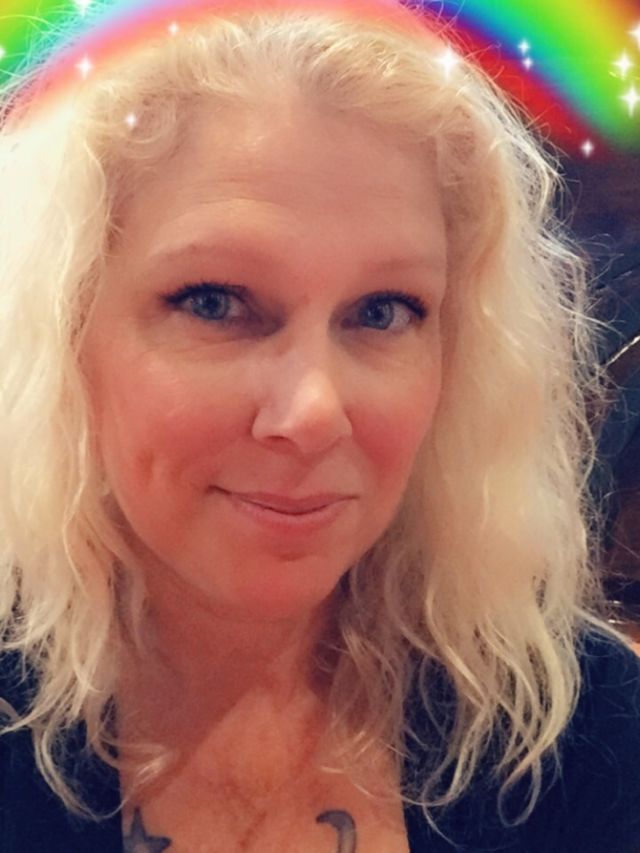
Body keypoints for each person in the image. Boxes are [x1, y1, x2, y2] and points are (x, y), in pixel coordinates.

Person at [0, 0, 639, 850]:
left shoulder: (571, 723)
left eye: (383, 311)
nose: (313, 412)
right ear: (63, 332)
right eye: (215, 301)